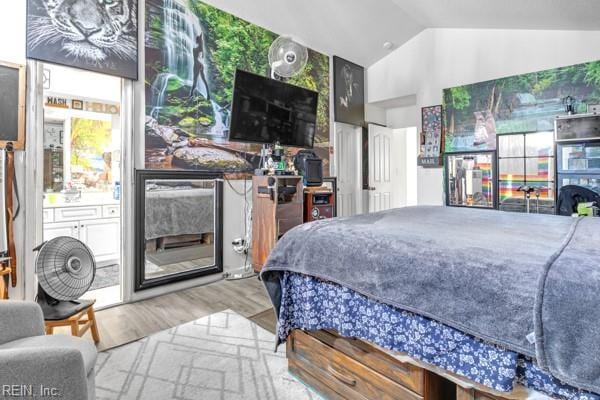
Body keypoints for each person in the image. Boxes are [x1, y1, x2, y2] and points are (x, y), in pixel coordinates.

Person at [190, 34, 211, 101]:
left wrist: (200, 38)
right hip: (201, 64)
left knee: (195, 80)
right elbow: (202, 56)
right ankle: (208, 95)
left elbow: (197, 58)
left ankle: (191, 94)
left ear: (196, 41)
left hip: (196, 65)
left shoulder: (194, 49)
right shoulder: (200, 49)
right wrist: (201, 38)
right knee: (204, 80)